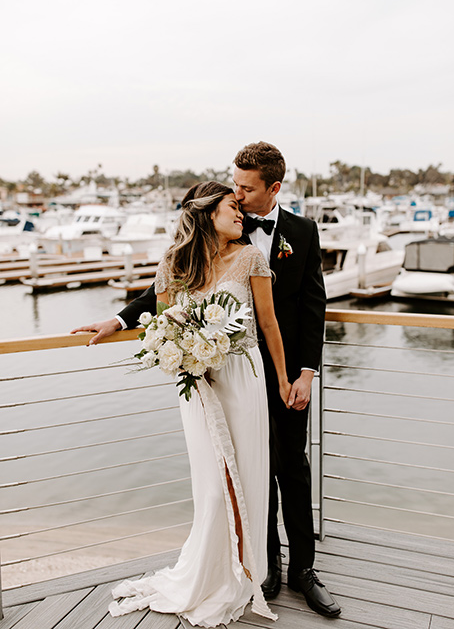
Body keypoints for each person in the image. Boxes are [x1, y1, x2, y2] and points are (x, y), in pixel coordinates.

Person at [72, 142, 341, 618]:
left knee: (291, 468)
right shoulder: (217, 230)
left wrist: (304, 372)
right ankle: (264, 564)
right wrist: (118, 319)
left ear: (273, 188)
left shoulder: (302, 230)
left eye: (245, 187)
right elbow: (170, 287)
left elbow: (311, 305)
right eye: (234, 184)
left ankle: (304, 570)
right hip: (217, 375)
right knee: (242, 471)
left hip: (275, 373)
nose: (236, 192)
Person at [107, 181, 291, 626]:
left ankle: (244, 574)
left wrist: (283, 380)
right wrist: (184, 353)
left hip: (243, 378)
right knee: (211, 484)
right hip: (197, 381)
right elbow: (164, 323)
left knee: (247, 474)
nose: (241, 215)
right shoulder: (174, 262)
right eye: (232, 206)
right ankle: (209, 572)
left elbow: (268, 325)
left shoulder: (250, 257)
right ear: (208, 212)